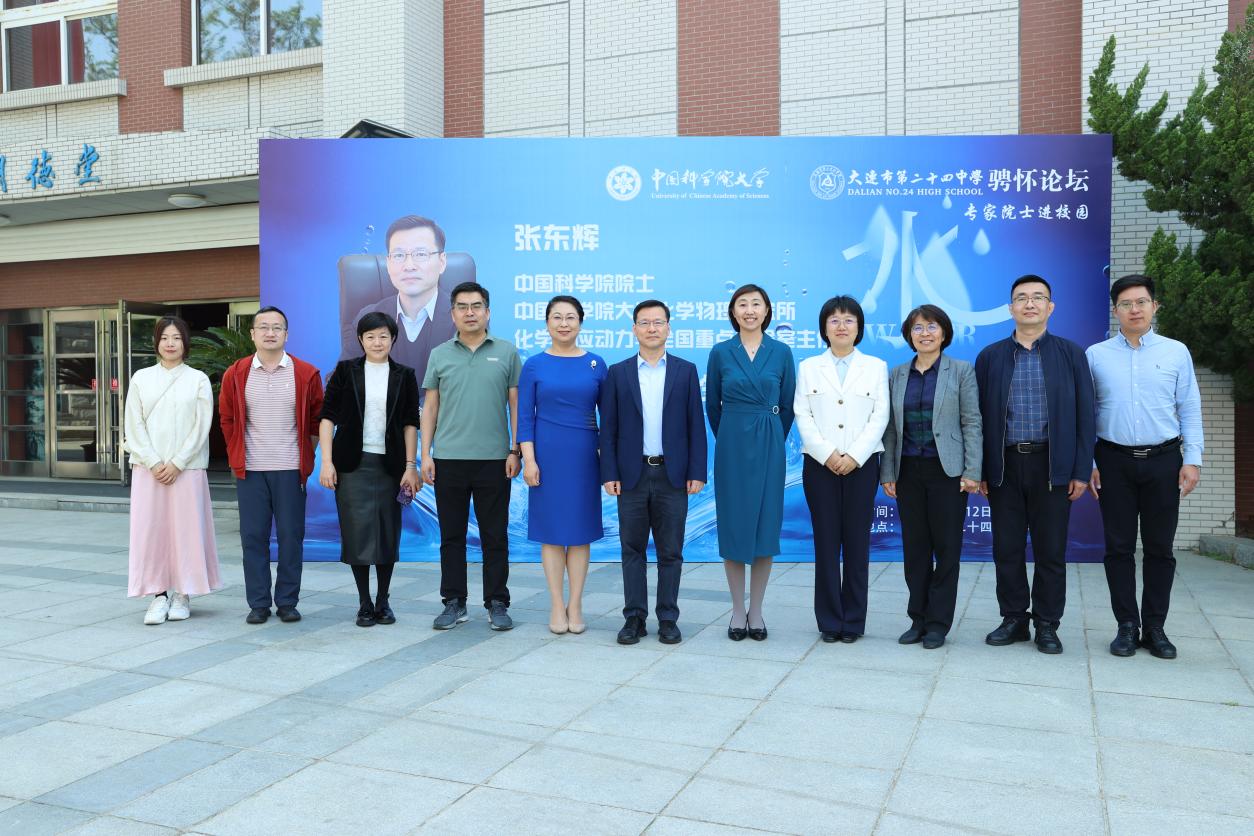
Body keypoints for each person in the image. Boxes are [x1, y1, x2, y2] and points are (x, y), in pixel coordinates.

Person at [975, 275, 1095, 654]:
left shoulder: (1071, 354)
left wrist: (1080, 470)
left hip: (1052, 466)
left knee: (1050, 551)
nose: (1030, 304)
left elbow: (1086, 416)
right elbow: (977, 418)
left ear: (1050, 307)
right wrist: (980, 470)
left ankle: (1047, 623)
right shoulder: (990, 357)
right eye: (1022, 298)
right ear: (1010, 308)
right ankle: (1013, 618)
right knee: (1007, 548)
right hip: (1005, 466)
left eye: (1038, 297)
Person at [1087, 274, 1202, 660]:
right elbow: (1086, 412)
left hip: (1164, 461)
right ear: (1115, 310)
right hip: (1113, 461)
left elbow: (1189, 407)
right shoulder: (1096, 355)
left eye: (1141, 302)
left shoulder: (1175, 352)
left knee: (1159, 549)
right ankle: (1126, 625)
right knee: (1118, 548)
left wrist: (1193, 459)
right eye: (1125, 304)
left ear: (1154, 306)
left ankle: (1155, 628)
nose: (1134, 310)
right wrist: (1088, 461)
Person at [599, 300, 707, 646]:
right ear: (634, 329)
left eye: (658, 322)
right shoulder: (618, 373)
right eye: (644, 322)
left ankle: (668, 618)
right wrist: (609, 472)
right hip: (631, 475)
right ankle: (634, 617)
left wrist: (697, 471)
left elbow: (696, 424)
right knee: (631, 549)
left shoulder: (685, 371)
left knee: (670, 551)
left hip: (673, 475)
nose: (651, 328)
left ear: (668, 328)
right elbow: (609, 428)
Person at [421, 281, 522, 631]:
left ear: (488, 312)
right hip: (448, 459)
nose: (470, 313)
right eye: (462, 307)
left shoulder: (506, 352)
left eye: (476, 306)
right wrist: (425, 454)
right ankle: (454, 602)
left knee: (495, 536)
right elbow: (430, 406)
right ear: (452, 314)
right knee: (452, 536)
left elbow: (516, 405)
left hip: (495, 460)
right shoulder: (440, 354)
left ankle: (497, 602)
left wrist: (515, 449)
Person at [880, 305, 982, 650]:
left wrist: (972, 470)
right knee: (915, 549)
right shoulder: (897, 374)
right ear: (909, 335)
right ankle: (918, 619)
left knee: (947, 548)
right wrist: (888, 471)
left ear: (944, 332)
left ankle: (938, 624)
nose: (925, 333)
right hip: (908, 470)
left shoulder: (961, 370)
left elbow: (972, 422)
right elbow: (890, 428)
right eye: (918, 328)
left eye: (932, 327)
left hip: (948, 472)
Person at [220, 306, 324, 624]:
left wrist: (305, 456)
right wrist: (237, 453)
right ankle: (259, 603)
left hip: (290, 470)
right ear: (252, 334)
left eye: (277, 327)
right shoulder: (236, 373)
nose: (270, 332)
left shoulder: (306, 374)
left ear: (286, 335)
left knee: (291, 537)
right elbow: (227, 418)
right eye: (263, 327)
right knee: (253, 537)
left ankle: (288, 601)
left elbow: (316, 421)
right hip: (251, 470)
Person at [318, 312, 423, 628]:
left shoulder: (405, 375)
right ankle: (364, 602)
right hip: (352, 465)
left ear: (393, 339)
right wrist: (326, 462)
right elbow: (327, 418)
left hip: (390, 466)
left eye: (383, 336)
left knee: (387, 533)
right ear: (361, 340)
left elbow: (410, 423)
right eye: (370, 337)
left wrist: (410, 466)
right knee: (357, 533)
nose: (377, 342)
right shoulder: (345, 371)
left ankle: (383, 601)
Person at [795, 296, 889, 643]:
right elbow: (802, 414)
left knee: (856, 544)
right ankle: (829, 621)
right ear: (824, 328)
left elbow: (880, 416)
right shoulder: (809, 367)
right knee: (825, 543)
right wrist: (828, 454)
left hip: (861, 466)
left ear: (859, 327)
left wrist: (855, 455)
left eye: (849, 320)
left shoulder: (875, 367)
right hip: (820, 466)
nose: (841, 326)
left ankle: (853, 621)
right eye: (833, 320)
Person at [706, 284, 795, 641]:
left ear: (767, 310)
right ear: (733, 312)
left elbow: (787, 406)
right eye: (742, 304)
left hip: (770, 443)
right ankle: (736, 610)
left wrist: (770, 433)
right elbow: (713, 406)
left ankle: (756, 611)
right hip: (731, 446)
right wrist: (732, 433)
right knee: (733, 525)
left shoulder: (781, 352)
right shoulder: (720, 352)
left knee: (765, 526)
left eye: (756, 304)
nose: (749, 310)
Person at [518, 296, 607, 635]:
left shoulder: (596, 364)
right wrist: (529, 460)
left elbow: (609, 418)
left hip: (584, 458)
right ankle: (557, 604)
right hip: (546, 457)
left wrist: (607, 460)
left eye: (571, 317)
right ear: (547, 323)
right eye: (557, 317)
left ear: (581, 323)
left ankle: (576, 603)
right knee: (552, 535)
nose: (564, 323)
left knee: (580, 534)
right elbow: (525, 419)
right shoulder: (534, 365)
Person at [125, 316, 221, 624]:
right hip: (148, 469)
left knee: (186, 531)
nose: (170, 343)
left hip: (187, 469)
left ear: (185, 343)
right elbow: (133, 424)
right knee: (151, 531)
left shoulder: (198, 380)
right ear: (156, 342)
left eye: (176, 338)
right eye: (165, 338)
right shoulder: (141, 378)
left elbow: (201, 426)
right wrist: (153, 462)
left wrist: (178, 462)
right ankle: (158, 595)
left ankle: (183, 593)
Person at [341, 215, 456, 403]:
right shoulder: (367, 318)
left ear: (442, 262)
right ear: (388, 263)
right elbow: (342, 382)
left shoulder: (464, 317)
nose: (409, 266)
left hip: (444, 421)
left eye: (420, 254)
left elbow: (466, 387)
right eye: (399, 255)